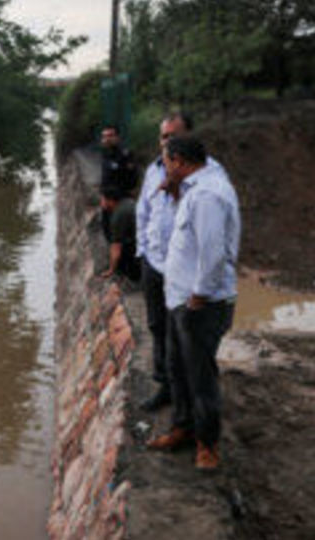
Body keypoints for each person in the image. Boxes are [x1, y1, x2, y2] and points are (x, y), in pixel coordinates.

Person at [146, 136, 240, 471]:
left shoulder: (207, 195)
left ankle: (207, 445)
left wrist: (200, 293)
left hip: (199, 304)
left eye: (166, 162)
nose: (164, 168)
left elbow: (213, 251)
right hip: (180, 300)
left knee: (200, 376)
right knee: (178, 369)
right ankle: (183, 427)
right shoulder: (192, 190)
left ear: (179, 161)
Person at [135, 113, 189, 411]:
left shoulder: (203, 176)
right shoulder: (153, 171)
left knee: (182, 333)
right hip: (153, 264)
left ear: (188, 136)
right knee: (157, 326)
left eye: (174, 135)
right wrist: (142, 250)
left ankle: (185, 393)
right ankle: (164, 385)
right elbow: (143, 212)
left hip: (183, 271)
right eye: (164, 136)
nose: (168, 141)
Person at [99, 125, 138, 242]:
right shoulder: (105, 155)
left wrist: (116, 199)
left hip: (120, 204)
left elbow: (131, 183)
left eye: (110, 136)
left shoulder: (125, 155)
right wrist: (103, 197)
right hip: (107, 205)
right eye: (104, 136)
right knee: (109, 237)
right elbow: (105, 180)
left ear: (117, 138)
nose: (107, 139)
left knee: (122, 240)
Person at [99, 189, 140, 282]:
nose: (101, 203)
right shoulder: (128, 202)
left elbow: (116, 249)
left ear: (109, 200)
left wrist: (111, 270)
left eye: (102, 199)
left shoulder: (118, 216)